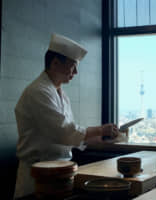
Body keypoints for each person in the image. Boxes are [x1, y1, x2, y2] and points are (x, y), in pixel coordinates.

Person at [14, 33, 119, 199]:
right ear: (55, 63)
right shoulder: (38, 92)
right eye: (73, 66)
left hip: (61, 173)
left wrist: (99, 139)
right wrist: (100, 129)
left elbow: (69, 137)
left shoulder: (61, 94)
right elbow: (64, 132)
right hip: (38, 176)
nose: (76, 72)